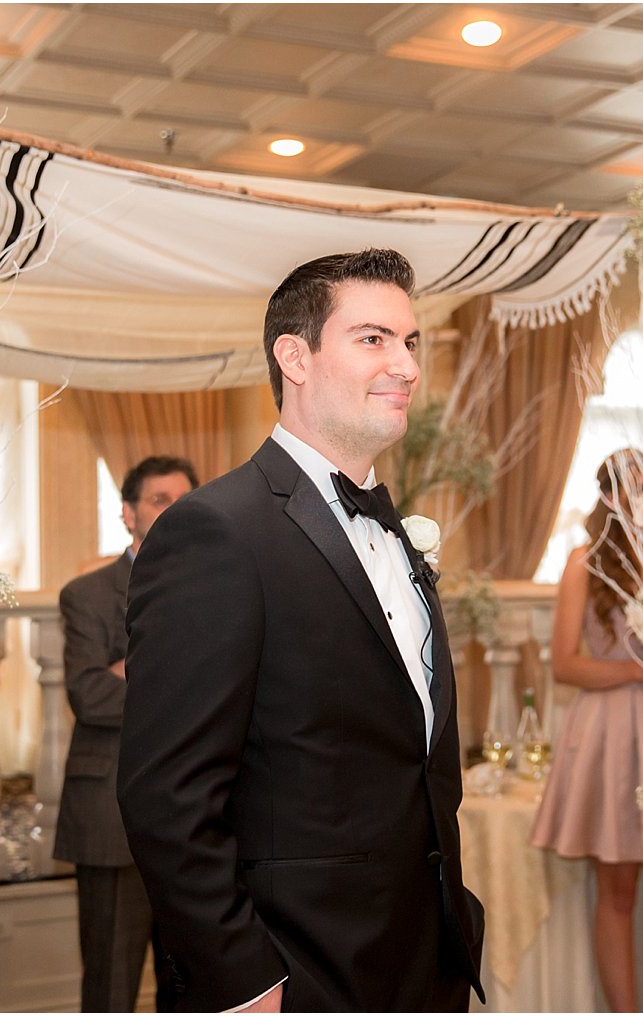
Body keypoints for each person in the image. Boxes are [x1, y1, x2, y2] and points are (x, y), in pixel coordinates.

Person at [117, 249, 484, 1012]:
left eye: (411, 343)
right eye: (374, 339)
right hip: (295, 972)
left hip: (420, 962)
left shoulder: (396, 531)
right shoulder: (215, 531)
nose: (406, 366)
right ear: (296, 356)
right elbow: (168, 796)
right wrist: (243, 979)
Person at [529, 449, 643, 1012]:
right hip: (611, 732)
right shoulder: (586, 562)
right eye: (636, 487)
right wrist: (639, 669)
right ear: (611, 496)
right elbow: (564, 664)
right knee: (618, 890)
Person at [54, 454, 197, 1013]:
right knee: (111, 990)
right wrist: (175, 675)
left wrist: (130, 667)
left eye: (185, 500)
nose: (174, 511)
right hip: (111, 823)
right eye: (160, 500)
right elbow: (90, 696)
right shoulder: (86, 596)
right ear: (128, 514)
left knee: (194, 990)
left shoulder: (219, 586)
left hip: (197, 824)